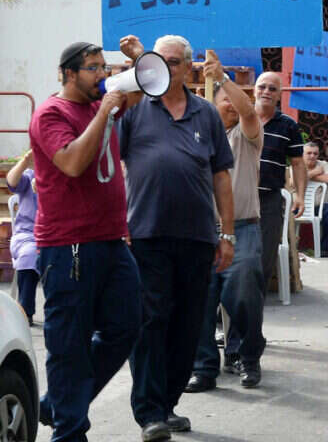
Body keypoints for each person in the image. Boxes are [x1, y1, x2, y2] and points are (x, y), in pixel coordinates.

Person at [118, 34, 235, 442]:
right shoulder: (135, 108)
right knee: (150, 321)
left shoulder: (206, 113)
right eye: (158, 60)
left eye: (172, 61)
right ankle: (149, 412)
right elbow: (111, 166)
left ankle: (167, 405)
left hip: (197, 238)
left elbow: (221, 176)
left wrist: (227, 234)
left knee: (188, 325)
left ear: (188, 67)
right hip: (145, 235)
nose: (165, 67)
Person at [28, 41, 141, 442]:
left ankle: (58, 403)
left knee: (127, 327)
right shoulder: (51, 114)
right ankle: (69, 431)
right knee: (69, 344)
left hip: (110, 240)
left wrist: (139, 59)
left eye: (103, 67)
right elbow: (73, 162)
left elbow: (145, 87)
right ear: (68, 73)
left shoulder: (98, 105)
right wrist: (105, 111)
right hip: (68, 246)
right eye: (92, 68)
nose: (101, 75)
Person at [185, 52, 266, 393]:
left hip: (243, 229)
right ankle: (203, 368)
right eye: (223, 101)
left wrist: (222, 80)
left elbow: (248, 111)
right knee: (200, 301)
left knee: (242, 294)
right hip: (202, 231)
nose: (231, 105)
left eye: (233, 99)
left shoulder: (246, 136)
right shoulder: (195, 138)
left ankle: (248, 356)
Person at [254, 71, 306, 290]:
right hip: (239, 197)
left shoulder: (288, 125)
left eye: (272, 89)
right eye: (262, 86)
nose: (266, 92)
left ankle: (256, 300)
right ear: (254, 90)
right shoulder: (240, 117)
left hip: (270, 199)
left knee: (266, 253)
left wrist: (300, 195)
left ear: (279, 95)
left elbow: (298, 163)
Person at [7, 149, 39, 326]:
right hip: (28, 234)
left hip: (58, 234)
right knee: (30, 254)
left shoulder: (64, 174)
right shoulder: (29, 175)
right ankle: (25, 311)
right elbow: (12, 182)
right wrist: (26, 160)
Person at [303, 140, 328, 257]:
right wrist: (315, 172)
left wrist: (306, 175)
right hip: (300, 207)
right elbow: (293, 182)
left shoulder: (323, 165)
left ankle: (324, 249)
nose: (312, 156)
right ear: (302, 154)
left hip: (321, 207)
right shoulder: (298, 165)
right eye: (309, 153)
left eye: (315, 153)